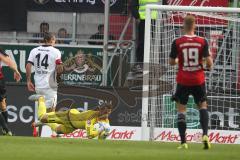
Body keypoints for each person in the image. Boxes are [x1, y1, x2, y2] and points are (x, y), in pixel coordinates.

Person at [169, 15, 213, 149]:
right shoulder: (202, 41)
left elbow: (171, 62)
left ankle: (183, 143)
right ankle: (205, 134)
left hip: (183, 79)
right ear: (195, 26)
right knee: (203, 106)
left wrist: (178, 61)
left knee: (181, 110)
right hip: (198, 79)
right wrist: (204, 63)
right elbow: (210, 64)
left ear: (183, 25)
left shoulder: (177, 42)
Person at [26, 32, 64, 135]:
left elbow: (28, 65)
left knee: (41, 109)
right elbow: (59, 67)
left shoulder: (34, 50)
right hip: (50, 85)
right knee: (51, 111)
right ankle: (53, 133)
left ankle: (36, 129)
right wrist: (59, 77)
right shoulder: (56, 51)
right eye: (54, 41)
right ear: (51, 40)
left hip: (38, 84)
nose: (55, 42)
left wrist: (28, 81)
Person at [29, 94, 112, 139]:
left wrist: (105, 134)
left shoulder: (105, 121)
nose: (106, 114)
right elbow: (90, 135)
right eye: (104, 112)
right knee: (41, 117)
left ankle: (44, 123)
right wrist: (101, 129)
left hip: (71, 127)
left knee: (57, 130)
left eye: (108, 113)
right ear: (100, 110)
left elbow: (100, 139)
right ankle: (41, 99)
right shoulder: (91, 117)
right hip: (65, 117)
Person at [130, 0, 160, 72]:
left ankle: (158, 64)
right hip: (144, 19)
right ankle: (140, 63)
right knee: (143, 42)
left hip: (158, 20)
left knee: (158, 43)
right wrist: (137, 16)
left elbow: (164, 3)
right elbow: (133, 5)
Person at [0, 48, 21, 135]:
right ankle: (7, 130)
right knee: (3, 105)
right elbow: (9, 61)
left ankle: (7, 129)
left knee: (3, 105)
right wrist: (16, 71)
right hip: (1, 81)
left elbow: (8, 61)